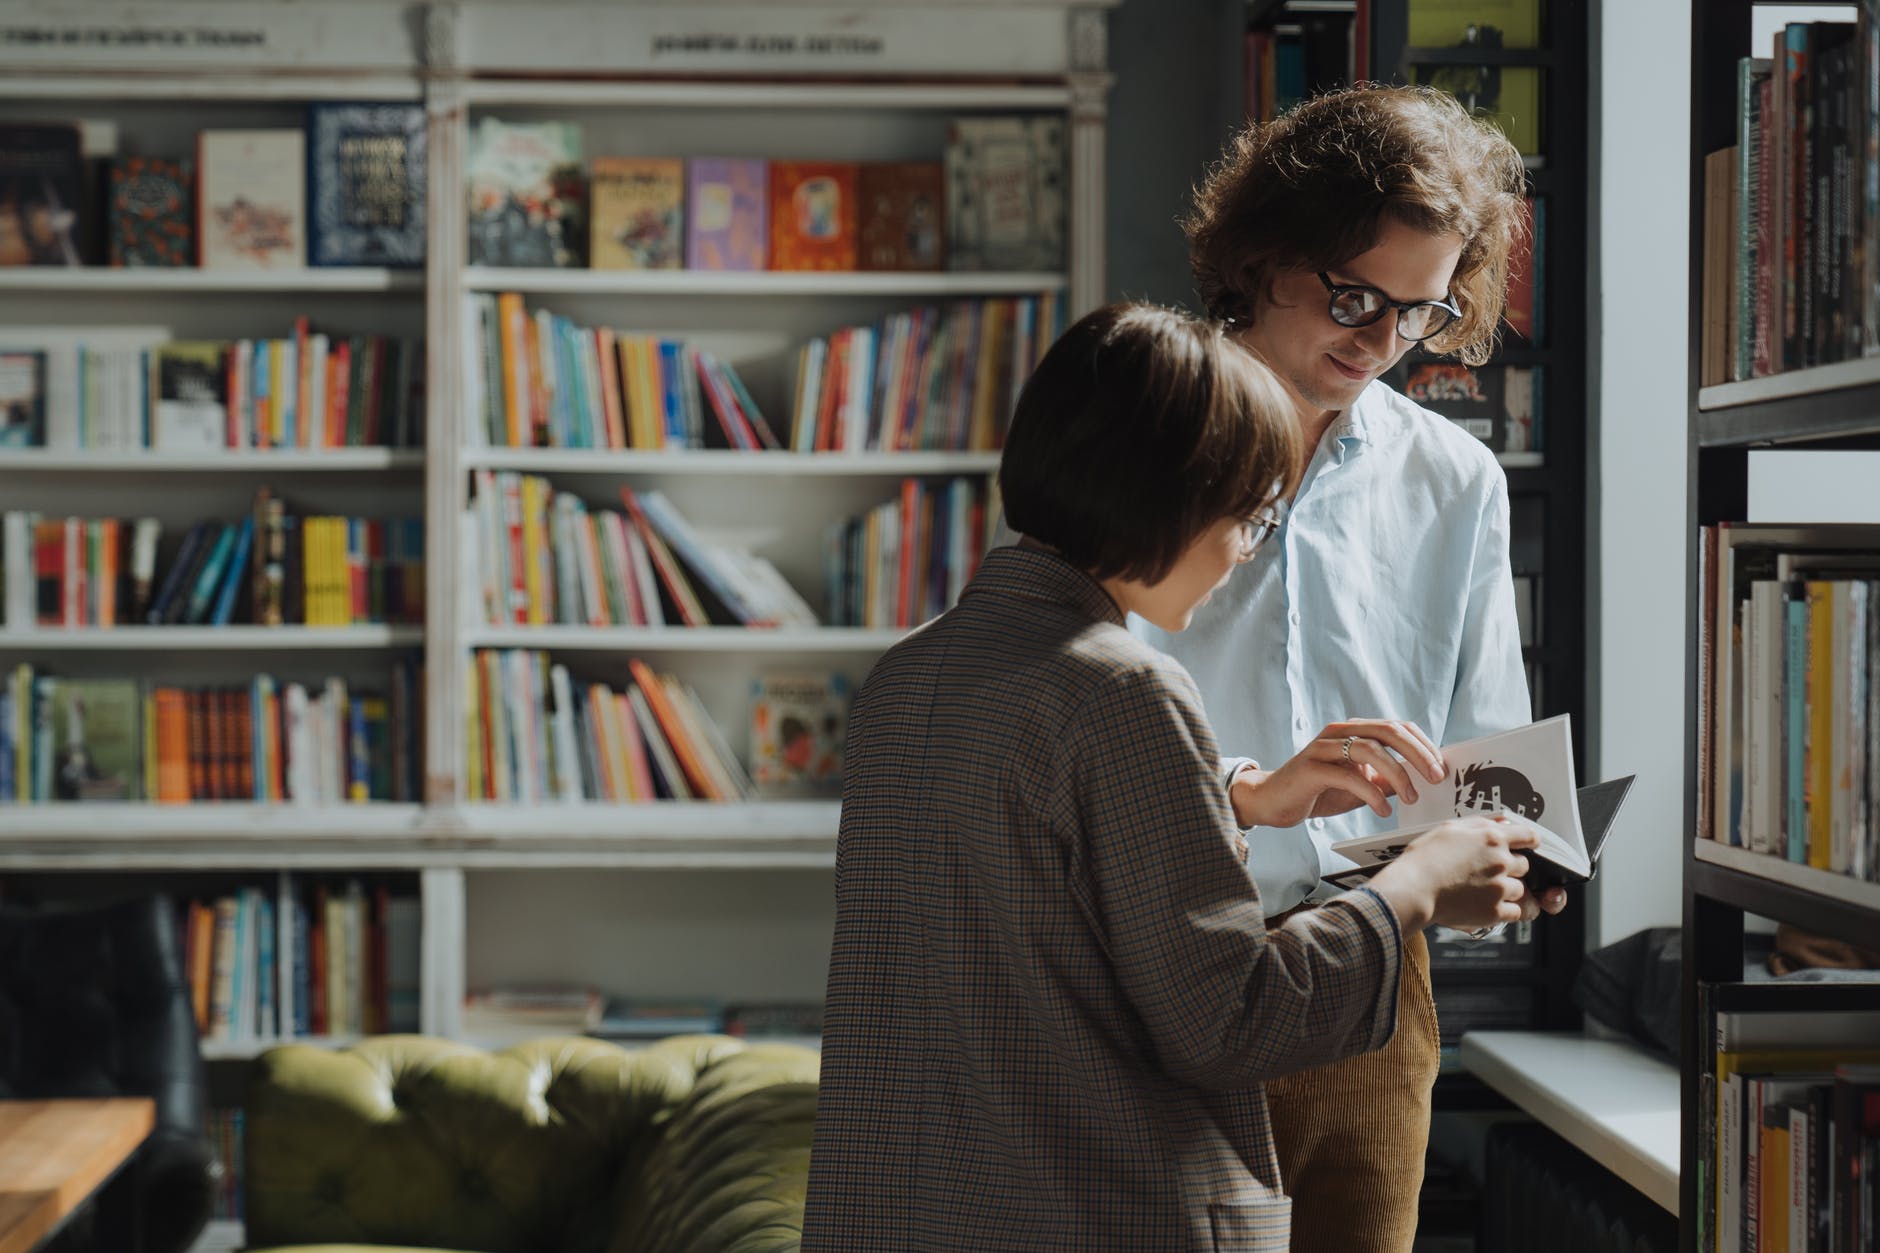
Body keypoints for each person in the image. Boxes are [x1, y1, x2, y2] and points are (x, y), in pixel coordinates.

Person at [801, 302, 1543, 1252]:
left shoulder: (907, 674)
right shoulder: (1130, 689)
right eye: (1250, 515)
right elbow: (1230, 1021)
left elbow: (1042, 910)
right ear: (1169, 497)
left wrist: (1238, 792)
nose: (1245, 549)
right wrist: (1412, 889)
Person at [1131, 84, 1568, 1251]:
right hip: (1167, 956)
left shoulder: (1451, 475)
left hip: (1376, 971)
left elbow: (1485, 736)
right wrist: (1242, 791)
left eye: (1418, 313)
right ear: (1263, 255)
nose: (1379, 344)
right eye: (1353, 295)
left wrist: (1509, 855)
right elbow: (1052, 696)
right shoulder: (1137, 428)